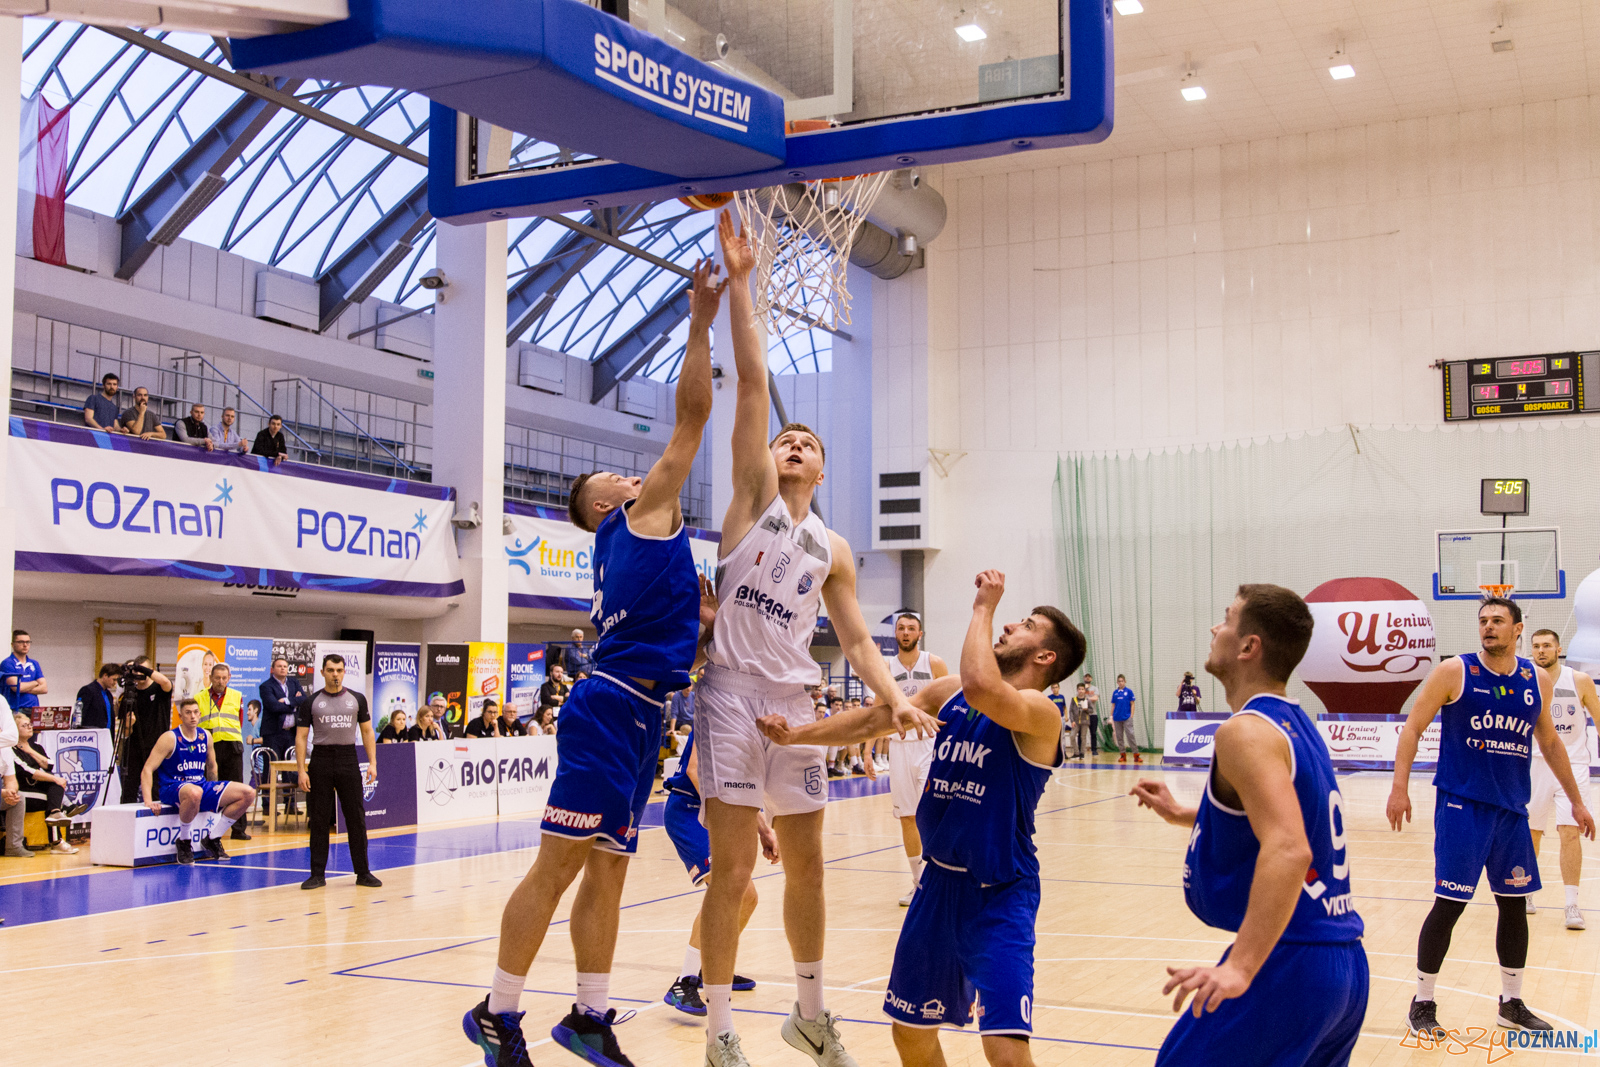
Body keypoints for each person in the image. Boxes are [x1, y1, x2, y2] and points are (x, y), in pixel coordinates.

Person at [463, 254, 724, 1067]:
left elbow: (682, 621)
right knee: (558, 864)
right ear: (612, 502)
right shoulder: (642, 516)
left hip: (641, 711)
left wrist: (703, 625)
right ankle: (497, 1011)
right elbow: (691, 423)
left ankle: (589, 1013)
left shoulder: (633, 545)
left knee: (607, 871)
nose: (631, 470)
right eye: (618, 474)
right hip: (611, 708)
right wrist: (700, 319)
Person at [692, 212, 930, 1067]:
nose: (792, 444)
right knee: (731, 871)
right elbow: (753, 385)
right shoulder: (752, 496)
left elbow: (861, 642)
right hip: (729, 696)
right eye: (788, 439)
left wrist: (895, 695)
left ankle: (811, 1013)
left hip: (796, 704)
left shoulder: (832, 548)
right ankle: (719, 1028)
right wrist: (744, 286)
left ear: (822, 471)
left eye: (807, 444)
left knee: (810, 867)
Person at [760, 570, 1082, 1067]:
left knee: (1005, 1051)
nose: (1010, 625)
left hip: (999, 893)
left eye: (1027, 624)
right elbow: (873, 719)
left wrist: (982, 608)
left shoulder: (1041, 712)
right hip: (938, 890)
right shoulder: (950, 692)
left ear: (1045, 657)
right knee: (910, 1032)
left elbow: (983, 686)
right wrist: (796, 735)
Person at [1132, 583, 1368, 1066]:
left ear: (1248, 646)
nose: (1215, 628)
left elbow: (1289, 847)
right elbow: (1282, 817)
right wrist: (1185, 813)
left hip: (1290, 961)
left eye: (1226, 618)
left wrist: (1241, 966)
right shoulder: (1297, 726)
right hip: (1342, 961)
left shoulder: (1243, 731)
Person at [1387, 597, 1596, 1037]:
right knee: (1450, 905)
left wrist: (1577, 802)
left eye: (1498, 621)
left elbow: (1552, 744)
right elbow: (1412, 727)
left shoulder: (1534, 679)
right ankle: (1422, 1002)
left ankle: (1511, 1002)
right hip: (1463, 806)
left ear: (1518, 629)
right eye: (1483, 621)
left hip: (1511, 812)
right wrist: (1399, 787)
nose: (1489, 627)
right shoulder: (1454, 672)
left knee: (1514, 907)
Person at [662, 727, 776, 1016]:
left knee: (747, 898)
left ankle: (712, 964)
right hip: (689, 811)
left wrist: (764, 830)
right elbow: (694, 769)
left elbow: (743, 791)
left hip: (716, 812)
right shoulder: (715, 711)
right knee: (729, 890)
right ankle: (683, 983)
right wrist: (718, 811)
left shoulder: (752, 730)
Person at [1524, 630, 1600, 927]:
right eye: (1536, 646)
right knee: (1532, 833)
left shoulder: (1578, 680)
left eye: (1546, 646)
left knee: (1570, 831)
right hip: (1534, 764)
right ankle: (1527, 893)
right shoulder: (1525, 679)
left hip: (1574, 765)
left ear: (1558, 649)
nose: (1541, 651)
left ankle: (1572, 904)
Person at [296, 654, 382, 890]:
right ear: (322, 672)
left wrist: (372, 763)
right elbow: (302, 737)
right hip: (321, 759)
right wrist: (301, 770)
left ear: (344, 672)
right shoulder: (311, 701)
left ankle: (363, 873)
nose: (335, 674)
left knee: (356, 817)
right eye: (331, 670)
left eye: (339, 670)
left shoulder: (357, 699)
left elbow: (366, 732)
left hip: (348, 758)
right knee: (320, 819)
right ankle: (317, 874)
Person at [141, 697, 257, 864]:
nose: (193, 716)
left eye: (196, 712)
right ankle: (184, 841)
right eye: (188, 713)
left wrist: (215, 796)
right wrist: (148, 801)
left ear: (200, 714)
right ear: (180, 716)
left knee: (248, 793)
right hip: (172, 787)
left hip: (199, 785)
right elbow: (147, 769)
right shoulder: (170, 737)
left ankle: (213, 838)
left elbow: (212, 768)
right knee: (195, 792)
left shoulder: (206, 736)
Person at [884, 612, 949, 906]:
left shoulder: (933, 663)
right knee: (908, 817)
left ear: (920, 634)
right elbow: (877, 710)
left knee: (932, 812)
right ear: (895, 634)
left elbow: (951, 704)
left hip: (930, 745)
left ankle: (942, 881)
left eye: (911, 628)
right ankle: (917, 883)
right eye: (902, 628)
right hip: (898, 746)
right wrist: (867, 753)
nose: (906, 632)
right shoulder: (885, 667)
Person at [11, 712, 82, 852]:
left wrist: (30, 750)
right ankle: (57, 840)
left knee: (54, 791)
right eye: (24, 725)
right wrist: (55, 778)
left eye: (30, 724)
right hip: (22, 790)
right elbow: (27, 771)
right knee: (54, 794)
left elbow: (49, 765)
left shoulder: (35, 747)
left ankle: (58, 814)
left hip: (37, 789)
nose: (29, 727)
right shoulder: (10, 749)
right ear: (15, 729)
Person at [196, 662, 250, 841]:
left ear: (229, 678)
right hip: (209, 746)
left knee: (238, 786)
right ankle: (206, 826)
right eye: (217, 677)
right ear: (211, 678)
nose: (220, 681)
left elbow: (240, 720)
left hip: (232, 745)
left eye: (224, 678)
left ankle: (239, 829)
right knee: (209, 785)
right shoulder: (200, 697)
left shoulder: (237, 695)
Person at [118, 657, 172, 804]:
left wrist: (145, 671)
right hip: (134, 747)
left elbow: (167, 683)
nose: (139, 674)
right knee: (129, 786)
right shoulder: (129, 695)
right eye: (137, 670)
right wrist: (129, 725)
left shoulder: (158, 689)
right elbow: (125, 733)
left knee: (156, 787)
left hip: (157, 746)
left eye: (142, 670)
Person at [0, 630, 47, 715]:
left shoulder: (34, 663)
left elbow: (44, 689)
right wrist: (35, 682)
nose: (25, 645)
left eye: (28, 642)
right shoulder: (7, 663)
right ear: (12, 644)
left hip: (34, 708)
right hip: (16, 709)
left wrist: (25, 688)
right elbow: (17, 688)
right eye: (21, 642)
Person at [76, 663, 120, 731]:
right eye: (114, 679)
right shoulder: (88, 690)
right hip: (92, 736)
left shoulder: (109, 695)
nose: (115, 683)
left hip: (106, 736)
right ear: (105, 676)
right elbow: (80, 716)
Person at [1111, 673, 1141, 764]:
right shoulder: (1115, 693)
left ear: (1125, 681)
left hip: (1127, 717)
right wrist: (1111, 716)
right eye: (1119, 681)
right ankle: (1122, 755)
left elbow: (1132, 704)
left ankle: (1136, 755)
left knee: (1130, 736)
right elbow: (1113, 705)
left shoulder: (1129, 691)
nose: (1120, 683)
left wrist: (1131, 715)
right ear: (1117, 682)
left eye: (1122, 681)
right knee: (1119, 737)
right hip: (1117, 718)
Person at [1068, 682, 1092, 759]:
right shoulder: (1074, 699)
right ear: (1077, 690)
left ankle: (1082, 753)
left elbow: (1091, 710)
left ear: (1084, 690)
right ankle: (1076, 752)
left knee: (1083, 737)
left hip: (1085, 721)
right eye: (1079, 689)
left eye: (1082, 689)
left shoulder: (1087, 699)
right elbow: (1071, 711)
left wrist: (1086, 709)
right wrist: (1072, 721)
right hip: (1076, 721)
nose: (1081, 691)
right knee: (1072, 736)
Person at [1083, 671, 1101, 755]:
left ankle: (1094, 750)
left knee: (1093, 733)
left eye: (1089, 676)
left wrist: (1087, 699)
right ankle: (1081, 750)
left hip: (1093, 714)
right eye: (1086, 676)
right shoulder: (1081, 688)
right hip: (1084, 714)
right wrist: (1085, 690)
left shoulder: (1095, 688)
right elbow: (1079, 698)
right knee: (1082, 733)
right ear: (1084, 678)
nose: (1087, 678)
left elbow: (1095, 698)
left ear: (1091, 679)